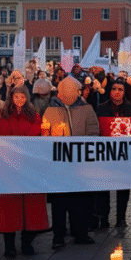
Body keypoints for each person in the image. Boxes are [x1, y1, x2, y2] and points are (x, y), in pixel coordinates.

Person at [43, 77, 100, 247]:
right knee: (60, 202)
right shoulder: (50, 110)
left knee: (81, 201)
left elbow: (93, 131)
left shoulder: (87, 109)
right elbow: (44, 133)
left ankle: (81, 233)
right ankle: (58, 236)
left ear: (77, 92)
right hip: (59, 165)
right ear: (59, 93)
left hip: (81, 164)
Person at [0, 86, 48, 257]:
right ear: (11, 98)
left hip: (30, 165)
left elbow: (36, 131)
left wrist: (24, 140)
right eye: (16, 97)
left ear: (27, 98)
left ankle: (27, 241)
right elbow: (4, 133)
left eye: (22, 97)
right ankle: (9, 245)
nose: (19, 100)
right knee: (9, 205)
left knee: (31, 205)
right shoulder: (3, 114)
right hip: (9, 164)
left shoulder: (34, 115)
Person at [96, 79, 131, 228]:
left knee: (123, 186)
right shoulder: (101, 108)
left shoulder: (130, 108)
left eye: (120, 89)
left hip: (123, 154)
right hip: (105, 153)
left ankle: (121, 218)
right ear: (110, 91)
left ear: (124, 92)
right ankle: (104, 218)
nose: (117, 92)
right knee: (103, 187)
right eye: (114, 89)